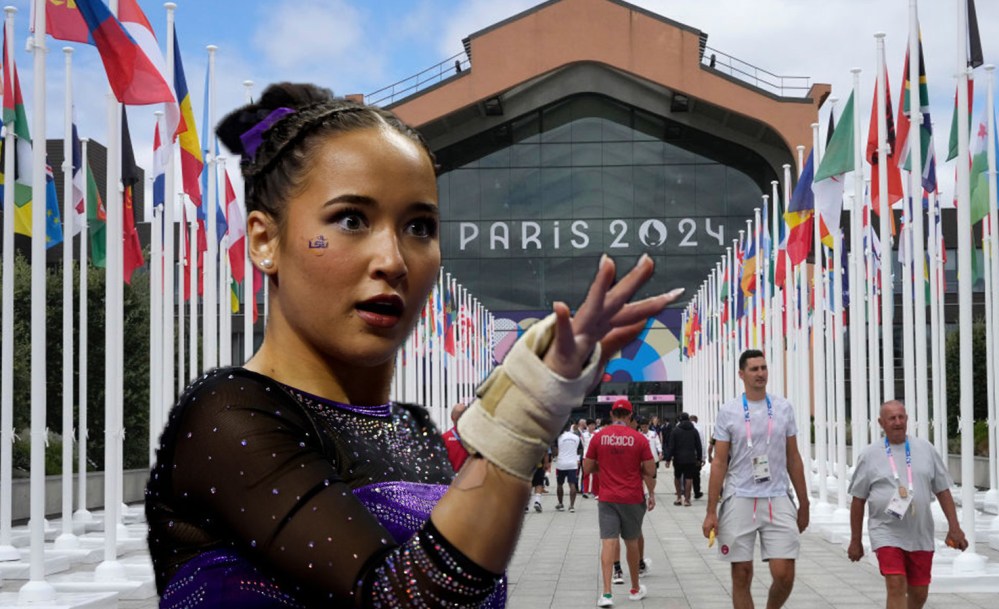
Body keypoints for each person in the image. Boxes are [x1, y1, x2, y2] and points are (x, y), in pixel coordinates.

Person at [144, 82, 680, 609]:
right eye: (351, 219)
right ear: (264, 240)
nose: (394, 260)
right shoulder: (227, 416)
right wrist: (528, 406)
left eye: (419, 226)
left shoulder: (414, 431)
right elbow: (400, 595)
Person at [702, 349, 809, 609]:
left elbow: (793, 457)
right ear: (742, 374)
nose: (760, 373)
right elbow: (719, 462)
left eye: (763, 368)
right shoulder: (729, 411)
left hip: (777, 496)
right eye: (754, 369)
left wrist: (804, 504)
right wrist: (710, 510)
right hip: (740, 497)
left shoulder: (783, 408)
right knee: (742, 573)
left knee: (784, 574)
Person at [847, 400, 969, 609]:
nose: (897, 422)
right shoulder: (869, 455)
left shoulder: (925, 449)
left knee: (919, 592)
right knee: (895, 583)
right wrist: (855, 540)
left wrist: (955, 528)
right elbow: (858, 500)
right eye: (892, 418)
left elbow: (943, 490)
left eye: (901, 417)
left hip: (920, 533)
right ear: (881, 423)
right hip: (886, 531)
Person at [584, 398, 656, 606]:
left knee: (608, 543)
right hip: (632, 497)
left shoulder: (599, 437)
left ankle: (606, 593)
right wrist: (635, 470)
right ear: (630, 416)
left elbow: (588, 468)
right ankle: (634, 589)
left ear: (612, 415)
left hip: (607, 497)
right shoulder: (639, 439)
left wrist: (604, 469)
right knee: (631, 543)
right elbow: (651, 470)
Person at [665, 412, 703, 506]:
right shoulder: (694, 431)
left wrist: (668, 459)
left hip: (678, 459)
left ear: (680, 420)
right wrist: (699, 458)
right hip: (690, 458)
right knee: (689, 478)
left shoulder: (675, 431)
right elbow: (699, 446)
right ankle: (687, 499)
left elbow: (671, 446)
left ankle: (678, 498)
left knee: (677, 477)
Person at [554, 423, 583, 512]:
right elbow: (580, 450)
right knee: (572, 484)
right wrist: (577, 458)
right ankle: (571, 506)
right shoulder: (576, 437)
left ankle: (561, 504)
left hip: (561, 464)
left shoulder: (558, 437)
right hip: (572, 464)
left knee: (560, 484)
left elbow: (555, 452)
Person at [442, 402, 469, 472]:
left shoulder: (444, 438)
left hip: (451, 481)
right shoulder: (475, 439)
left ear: (451, 418)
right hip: (470, 481)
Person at [581, 419, 598, 498]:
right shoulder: (583, 434)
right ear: (587, 426)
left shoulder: (597, 434)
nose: (592, 427)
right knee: (586, 474)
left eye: (594, 425)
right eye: (591, 425)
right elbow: (582, 445)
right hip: (586, 456)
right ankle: (585, 491)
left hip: (595, 457)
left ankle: (595, 492)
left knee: (595, 475)